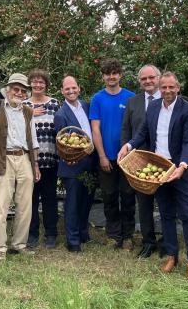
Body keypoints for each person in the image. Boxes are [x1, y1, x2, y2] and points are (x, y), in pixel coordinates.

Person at [118, 73, 188, 280]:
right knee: (165, 214)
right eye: (164, 87)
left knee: (186, 214)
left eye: (171, 87)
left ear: (178, 88)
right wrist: (128, 145)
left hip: (180, 169)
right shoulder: (154, 107)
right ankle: (172, 256)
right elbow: (143, 133)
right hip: (159, 169)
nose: (167, 91)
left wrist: (182, 166)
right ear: (159, 87)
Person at [0, 73, 40, 260]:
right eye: (16, 89)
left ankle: (19, 244)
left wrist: (35, 165)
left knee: (25, 205)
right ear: (8, 90)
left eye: (23, 91)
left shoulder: (28, 111)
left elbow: (33, 141)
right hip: (2, 158)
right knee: (1, 205)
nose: (19, 93)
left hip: (24, 159)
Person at [90, 58, 136, 250]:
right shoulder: (97, 99)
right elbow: (95, 129)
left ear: (120, 75)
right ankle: (113, 235)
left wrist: (131, 153)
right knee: (109, 196)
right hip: (106, 157)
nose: (111, 77)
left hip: (127, 157)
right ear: (103, 76)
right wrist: (101, 156)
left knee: (128, 196)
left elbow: (137, 128)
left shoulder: (131, 97)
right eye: (108, 74)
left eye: (114, 73)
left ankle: (128, 235)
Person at [121, 64, 163, 258]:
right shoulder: (133, 102)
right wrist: (127, 156)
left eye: (151, 77)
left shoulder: (168, 99)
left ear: (158, 78)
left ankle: (167, 240)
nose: (148, 81)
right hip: (140, 162)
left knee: (166, 203)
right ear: (139, 82)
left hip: (164, 161)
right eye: (144, 79)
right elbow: (126, 130)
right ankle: (148, 242)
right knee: (144, 204)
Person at [53, 75, 97, 252]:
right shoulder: (61, 114)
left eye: (73, 88)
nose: (71, 91)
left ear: (79, 88)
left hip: (90, 162)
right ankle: (72, 241)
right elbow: (62, 143)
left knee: (87, 200)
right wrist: (69, 157)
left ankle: (83, 233)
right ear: (62, 91)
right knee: (73, 203)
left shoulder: (86, 106)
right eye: (67, 88)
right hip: (72, 164)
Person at [24, 69, 61, 249]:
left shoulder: (54, 104)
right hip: (28, 161)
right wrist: (29, 113)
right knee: (30, 199)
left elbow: (61, 131)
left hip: (50, 159)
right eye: (35, 81)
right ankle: (32, 234)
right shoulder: (23, 105)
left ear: (46, 85)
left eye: (41, 82)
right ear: (30, 84)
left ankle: (51, 234)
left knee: (49, 198)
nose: (38, 85)